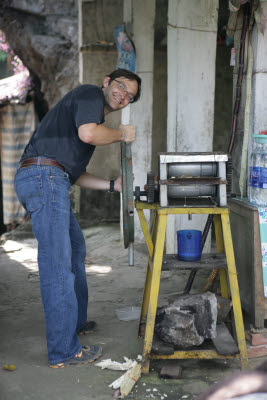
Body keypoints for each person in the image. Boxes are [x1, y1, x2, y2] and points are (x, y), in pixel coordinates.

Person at [14, 69, 141, 368]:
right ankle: (64, 350)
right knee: (58, 264)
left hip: (51, 176)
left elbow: (74, 174)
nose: (123, 96)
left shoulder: (88, 115)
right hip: (45, 177)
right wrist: (123, 134)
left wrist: (113, 186)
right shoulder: (89, 95)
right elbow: (89, 134)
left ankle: (76, 323)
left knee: (75, 252)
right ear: (107, 81)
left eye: (130, 96)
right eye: (121, 87)